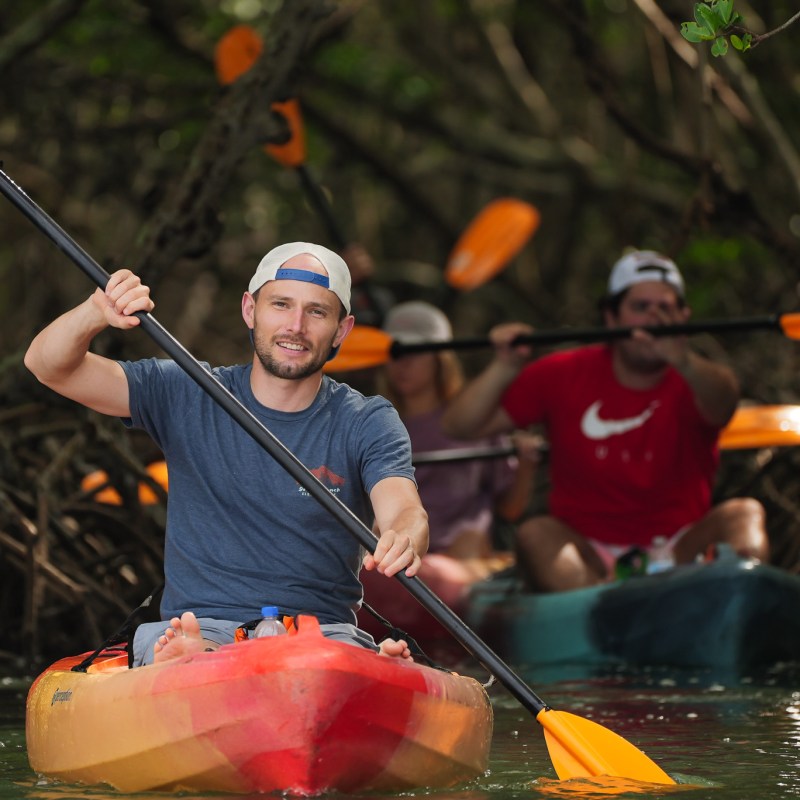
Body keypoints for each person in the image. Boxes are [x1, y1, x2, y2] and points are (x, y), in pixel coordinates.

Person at [25, 241, 428, 663]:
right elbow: (47, 365)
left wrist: (403, 535)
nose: (296, 326)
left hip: (321, 637)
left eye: (316, 311)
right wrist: (95, 311)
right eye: (281, 305)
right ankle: (194, 657)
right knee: (191, 647)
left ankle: (362, 667)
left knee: (326, 657)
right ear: (249, 310)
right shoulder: (187, 389)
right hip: (200, 627)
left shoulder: (367, 419)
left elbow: (403, 507)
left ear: (342, 330)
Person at [441, 249, 769, 592]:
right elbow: (459, 426)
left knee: (745, 515)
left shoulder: (700, 380)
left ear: (683, 318)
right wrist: (505, 366)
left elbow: (724, 404)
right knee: (535, 534)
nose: (654, 319)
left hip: (680, 548)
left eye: (667, 309)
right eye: (641, 308)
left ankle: (733, 614)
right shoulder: (562, 374)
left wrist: (680, 357)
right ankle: (599, 615)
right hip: (588, 555)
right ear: (612, 317)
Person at [377, 301, 539, 575]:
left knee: (471, 542)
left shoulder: (472, 421)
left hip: (463, 558)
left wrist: (526, 466)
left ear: (440, 359)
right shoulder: (374, 422)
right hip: (396, 554)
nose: (402, 363)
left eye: (413, 352)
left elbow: (510, 509)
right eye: (395, 352)